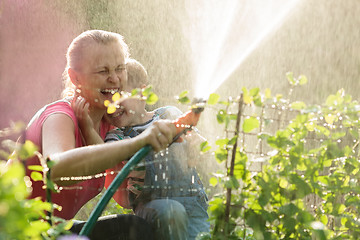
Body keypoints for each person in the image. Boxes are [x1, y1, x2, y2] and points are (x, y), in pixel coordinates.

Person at [22, 30, 177, 240]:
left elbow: (123, 197)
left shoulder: (109, 125)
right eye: (103, 71)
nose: (114, 78)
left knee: (134, 228)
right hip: (13, 228)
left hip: (52, 231)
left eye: (119, 68)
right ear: (75, 77)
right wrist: (139, 142)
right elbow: (56, 168)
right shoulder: (60, 116)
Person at [75, 58, 210, 240]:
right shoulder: (119, 136)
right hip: (152, 206)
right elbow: (102, 155)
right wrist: (88, 128)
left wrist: (197, 146)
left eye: (119, 95)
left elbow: (198, 149)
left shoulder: (168, 114)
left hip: (193, 204)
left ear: (142, 93)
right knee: (172, 211)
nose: (113, 105)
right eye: (108, 99)